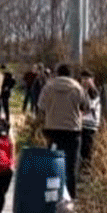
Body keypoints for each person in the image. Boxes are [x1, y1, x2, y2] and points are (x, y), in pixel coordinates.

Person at [37, 64, 89, 201]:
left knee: (53, 165)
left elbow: (41, 106)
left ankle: (53, 198)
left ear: (57, 73)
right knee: (71, 168)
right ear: (70, 74)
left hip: (53, 131)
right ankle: (70, 199)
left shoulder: (49, 87)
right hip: (73, 132)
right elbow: (86, 106)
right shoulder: (77, 88)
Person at [79, 70, 101, 174]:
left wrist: (80, 113)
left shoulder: (94, 92)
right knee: (82, 149)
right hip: (82, 124)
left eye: (87, 79)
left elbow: (89, 107)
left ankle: (87, 171)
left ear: (92, 80)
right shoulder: (82, 91)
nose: (84, 81)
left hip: (90, 124)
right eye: (83, 79)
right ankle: (83, 170)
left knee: (88, 149)